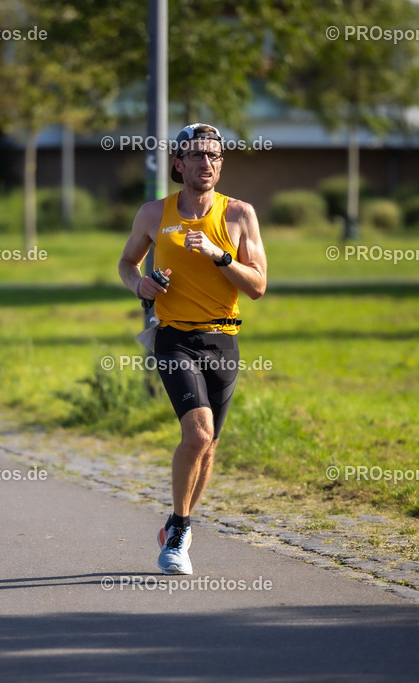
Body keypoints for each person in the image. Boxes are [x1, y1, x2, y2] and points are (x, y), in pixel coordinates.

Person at [118, 123, 268, 575]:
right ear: (178, 163)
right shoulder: (153, 213)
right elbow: (127, 263)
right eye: (198, 156)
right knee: (198, 434)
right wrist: (139, 284)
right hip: (174, 336)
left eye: (215, 156)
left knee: (210, 445)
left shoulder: (239, 214)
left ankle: (175, 523)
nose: (208, 163)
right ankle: (181, 532)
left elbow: (258, 285)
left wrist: (221, 258)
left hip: (223, 338)